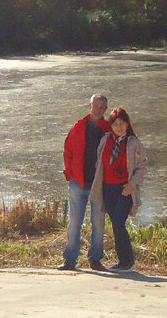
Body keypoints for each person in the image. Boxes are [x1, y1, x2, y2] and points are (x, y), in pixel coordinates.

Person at [89, 107, 148, 273]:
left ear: (128, 124)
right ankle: (123, 261)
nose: (119, 127)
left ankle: (128, 262)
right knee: (115, 225)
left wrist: (131, 185)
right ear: (111, 126)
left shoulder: (134, 143)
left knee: (118, 223)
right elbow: (99, 164)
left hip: (125, 189)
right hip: (108, 188)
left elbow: (142, 167)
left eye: (122, 124)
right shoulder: (106, 140)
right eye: (115, 125)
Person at [58, 93, 111, 271]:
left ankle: (95, 260)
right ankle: (70, 261)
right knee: (74, 222)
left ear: (106, 109)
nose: (99, 110)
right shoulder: (78, 127)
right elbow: (68, 151)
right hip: (78, 183)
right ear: (90, 106)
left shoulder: (109, 129)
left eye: (102, 107)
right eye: (96, 106)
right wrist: (70, 175)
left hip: (99, 185)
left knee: (98, 223)